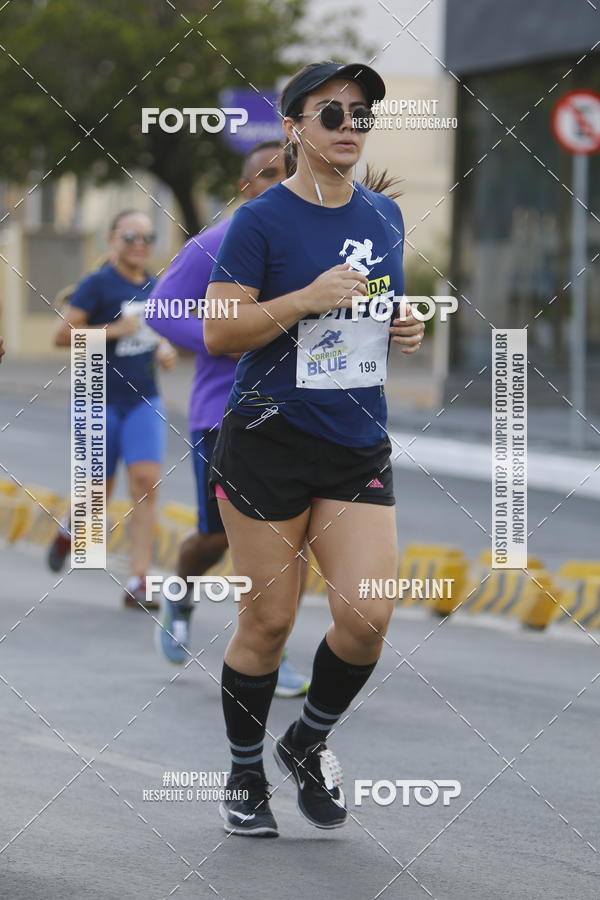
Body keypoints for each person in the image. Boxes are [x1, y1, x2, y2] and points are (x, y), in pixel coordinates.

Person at [204, 61, 424, 837]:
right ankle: (241, 773)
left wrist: (402, 328)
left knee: (367, 616)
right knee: (268, 623)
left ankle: (306, 741)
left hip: (355, 441)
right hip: (268, 442)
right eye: (332, 113)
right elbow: (220, 332)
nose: (349, 126)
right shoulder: (260, 221)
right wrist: (302, 299)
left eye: (362, 114)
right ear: (294, 127)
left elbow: (367, 320)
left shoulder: (385, 217)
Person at [146, 141, 310, 697]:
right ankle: (181, 593)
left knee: (289, 543)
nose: (275, 183)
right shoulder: (214, 243)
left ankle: (270, 650)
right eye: (264, 175)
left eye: (284, 174)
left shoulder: (308, 249)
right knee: (217, 539)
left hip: (297, 416)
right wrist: (223, 344)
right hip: (222, 416)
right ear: (245, 187)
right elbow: (161, 309)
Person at [48, 210, 178, 608]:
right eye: (129, 236)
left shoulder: (157, 288)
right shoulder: (96, 284)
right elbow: (61, 336)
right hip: (97, 397)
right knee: (97, 493)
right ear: (112, 241)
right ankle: (73, 528)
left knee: (146, 483)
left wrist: (165, 348)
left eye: (146, 237)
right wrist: (112, 331)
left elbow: (158, 333)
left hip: (144, 398)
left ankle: (139, 581)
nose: (139, 244)